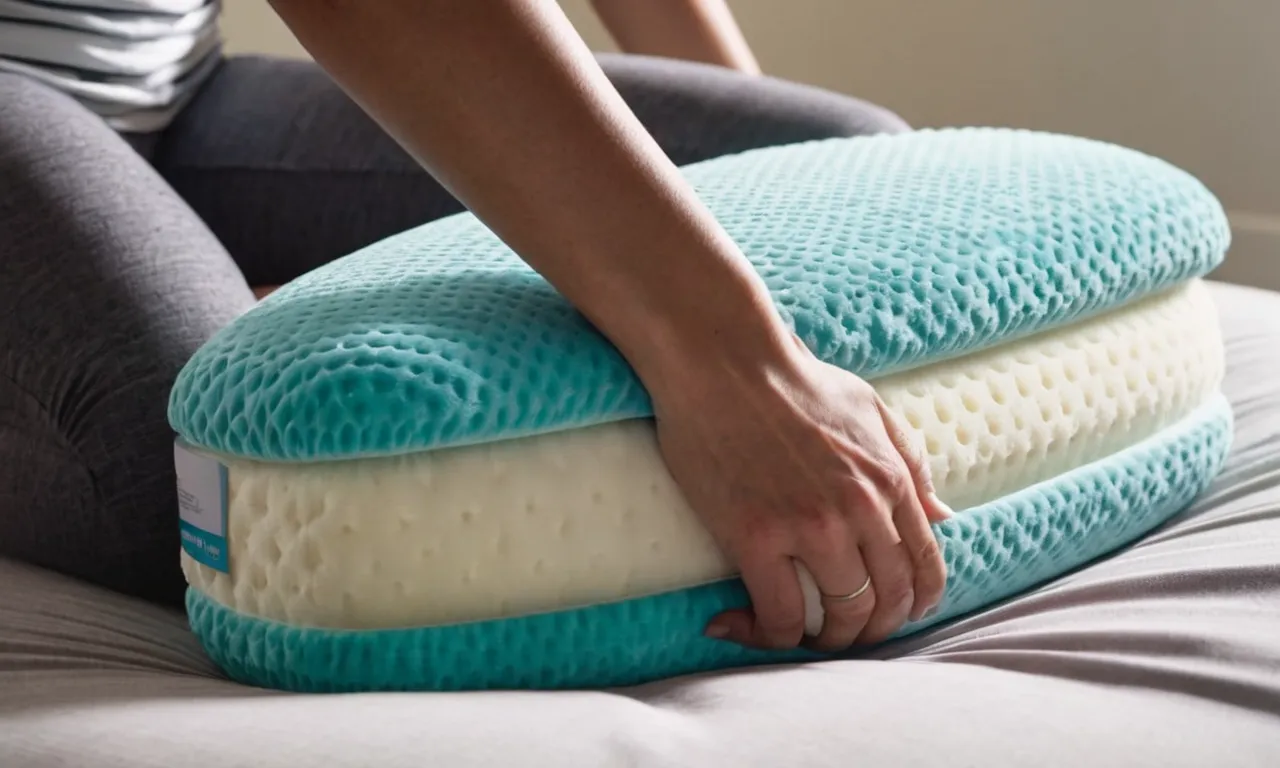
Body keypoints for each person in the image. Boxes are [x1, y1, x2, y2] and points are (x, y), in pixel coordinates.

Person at [0, 0, 948, 654]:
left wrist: (747, 235)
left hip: (173, 87)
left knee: (836, 171)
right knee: (223, 485)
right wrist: (733, 363)